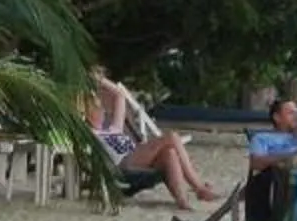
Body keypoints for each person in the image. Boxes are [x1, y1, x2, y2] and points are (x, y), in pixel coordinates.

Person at [86, 69, 214, 211]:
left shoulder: (113, 129)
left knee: (169, 153)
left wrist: (100, 80)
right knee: (171, 137)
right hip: (124, 162)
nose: (102, 110)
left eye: (101, 107)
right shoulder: (91, 133)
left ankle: (182, 201)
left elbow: (120, 95)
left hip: (135, 155)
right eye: (97, 107)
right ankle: (199, 187)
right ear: (88, 113)